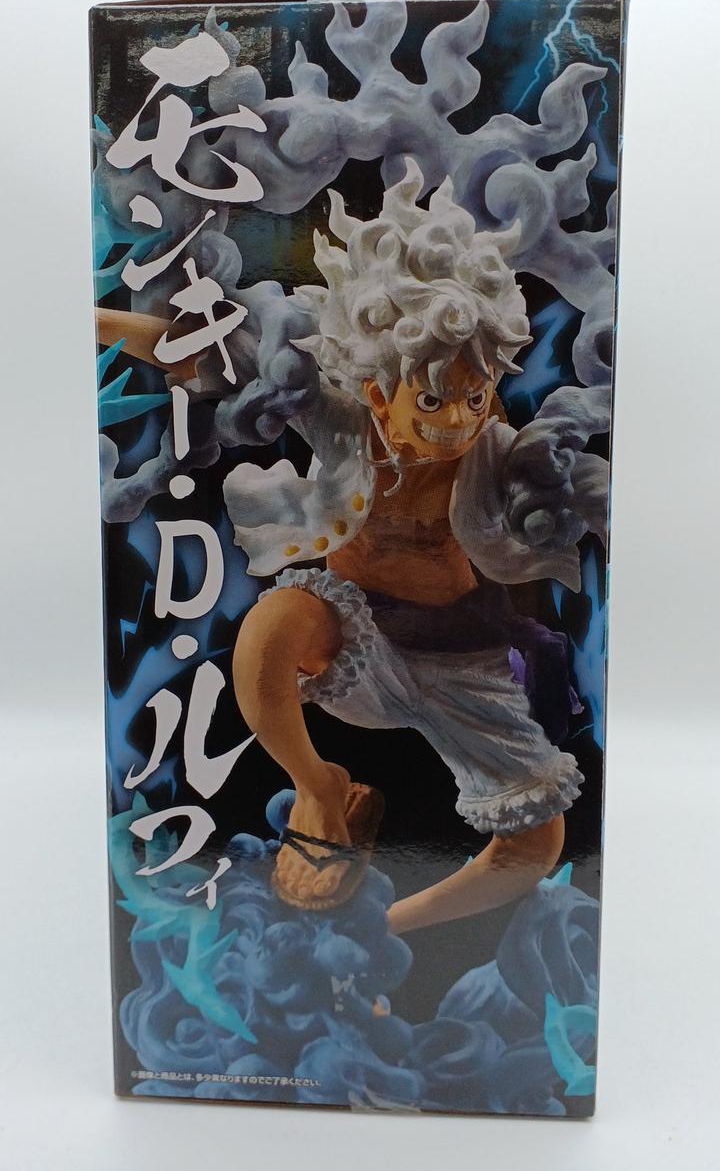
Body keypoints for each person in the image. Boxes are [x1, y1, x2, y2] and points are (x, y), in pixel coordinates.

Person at [224, 159, 602, 934]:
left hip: (465, 660)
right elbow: (211, 353)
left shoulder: (500, 451)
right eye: (431, 398)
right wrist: (91, 319)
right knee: (270, 627)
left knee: (538, 841)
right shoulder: (341, 423)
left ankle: (386, 925)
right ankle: (319, 787)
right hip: (353, 640)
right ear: (377, 391)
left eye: (474, 396)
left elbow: (587, 487)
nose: (457, 421)